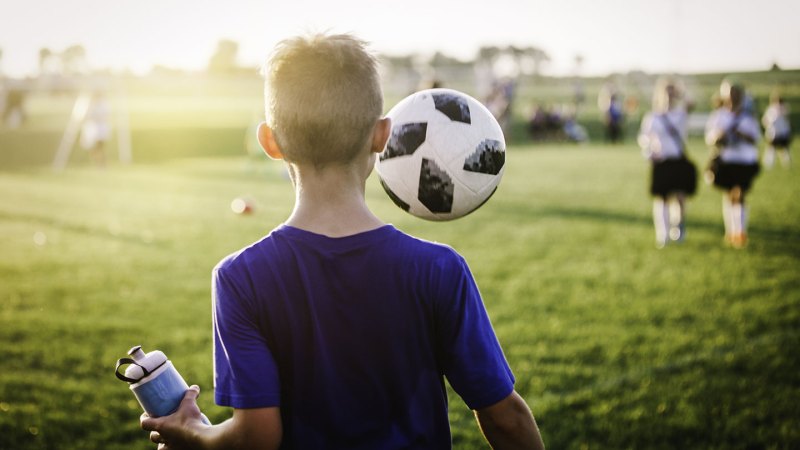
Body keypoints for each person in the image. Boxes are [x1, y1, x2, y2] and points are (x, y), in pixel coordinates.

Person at [140, 33, 545, 450]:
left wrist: (194, 433)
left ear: (269, 143)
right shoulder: (439, 268)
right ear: (382, 136)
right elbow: (507, 419)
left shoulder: (239, 278)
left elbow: (256, 436)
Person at [638, 78, 697, 248]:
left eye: (672, 92)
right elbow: (644, 138)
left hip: (677, 159)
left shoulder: (680, 114)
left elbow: (691, 103)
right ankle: (662, 233)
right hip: (662, 161)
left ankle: (678, 227)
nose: (670, 96)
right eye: (667, 92)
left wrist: (681, 93)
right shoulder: (653, 117)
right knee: (662, 198)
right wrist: (650, 152)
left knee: (679, 197)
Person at [704, 80, 761, 248]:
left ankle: (740, 231)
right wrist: (719, 136)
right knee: (729, 195)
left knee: (740, 193)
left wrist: (740, 134)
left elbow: (755, 138)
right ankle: (731, 231)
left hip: (744, 160)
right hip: (726, 160)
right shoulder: (719, 115)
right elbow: (710, 138)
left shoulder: (748, 116)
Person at [761, 90, 792, 169]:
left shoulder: (784, 109)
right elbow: (765, 120)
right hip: (774, 133)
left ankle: (787, 163)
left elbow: (786, 120)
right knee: (772, 149)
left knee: (784, 149)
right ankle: (769, 164)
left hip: (782, 133)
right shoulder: (771, 110)